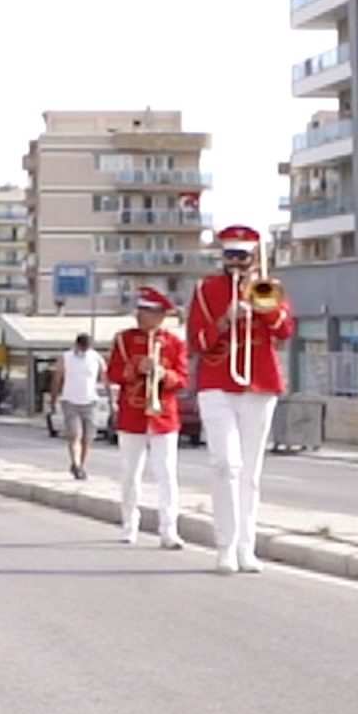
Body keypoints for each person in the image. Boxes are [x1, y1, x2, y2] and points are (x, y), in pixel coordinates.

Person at [186, 224, 295, 575]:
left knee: (250, 472)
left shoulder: (267, 287)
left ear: (252, 258)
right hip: (218, 381)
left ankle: (247, 547)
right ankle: (225, 546)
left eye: (242, 256)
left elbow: (284, 330)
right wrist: (224, 321)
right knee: (225, 465)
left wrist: (259, 303)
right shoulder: (206, 290)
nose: (235, 262)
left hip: (259, 383)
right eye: (229, 255)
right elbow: (196, 341)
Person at [107, 287, 187, 548]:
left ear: (160, 316)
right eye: (141, 311)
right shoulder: (123, 340)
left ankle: (169, 529)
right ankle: (130, 525)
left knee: (166, 473)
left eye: (148, 312)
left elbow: (183, 379)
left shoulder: (174, 343)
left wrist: (165, 375)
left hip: (164, 415)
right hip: (133, 414)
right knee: (131, 473)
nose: (141, 317)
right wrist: (135, 368)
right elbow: (113, 373)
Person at [50, 331, 101, 480]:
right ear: (77, 345)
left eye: (87, 348)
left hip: (90, 401)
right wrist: (53, 399)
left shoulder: (95, 358)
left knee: (88, 437)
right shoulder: (66, 358)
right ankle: (75, 463)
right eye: (82, 347)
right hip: (70, 400)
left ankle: (81, 465)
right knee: (74, 435)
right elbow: (57, 379)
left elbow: (105, 378)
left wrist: (112, 401)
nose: (84, 351)